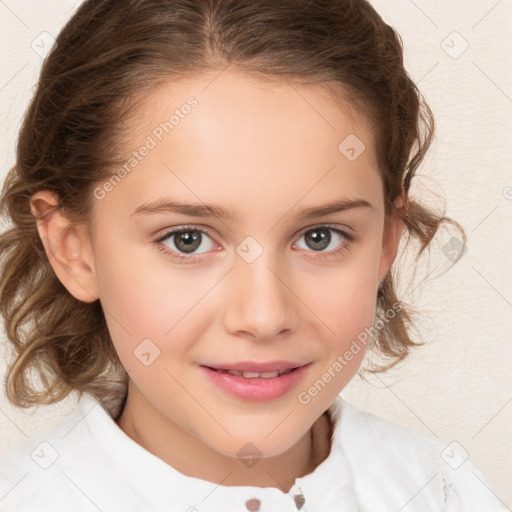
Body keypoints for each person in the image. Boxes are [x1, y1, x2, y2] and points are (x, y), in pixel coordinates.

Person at [0, 0, 507, 511]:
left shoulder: (450, 492)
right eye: (187, 240)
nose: (264, 317)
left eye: (320, 237)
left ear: (384, 243)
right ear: (74, 250)